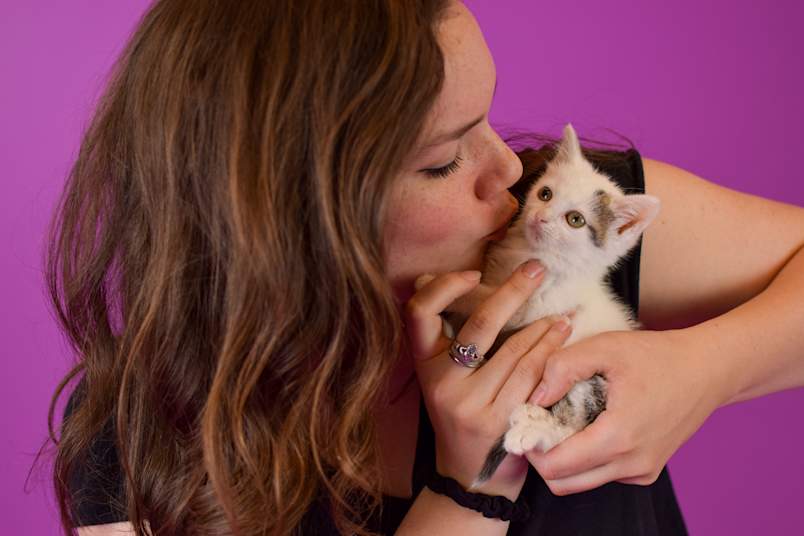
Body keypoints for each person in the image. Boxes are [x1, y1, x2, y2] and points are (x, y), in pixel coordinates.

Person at [45, 0, 804, 535]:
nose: (508, 170)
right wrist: (468, 495)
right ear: (289, 219)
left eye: (488, 120)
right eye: (443, 161)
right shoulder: (137, 440)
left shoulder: (578, 226)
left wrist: (706, 370)